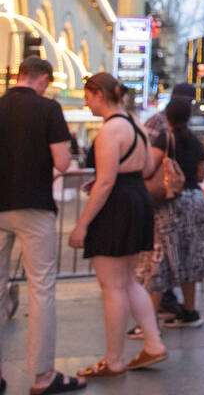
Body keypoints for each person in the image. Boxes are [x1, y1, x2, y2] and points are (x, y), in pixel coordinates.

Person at [68, 73, 166, 379]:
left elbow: (107, 180)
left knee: (112, 286)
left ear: (99, 94)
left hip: (116, 206)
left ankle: (114, 360)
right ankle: (153, 343)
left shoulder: (111, 130)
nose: (86, 102)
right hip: (137, 200)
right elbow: (149, 167)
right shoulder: (137, 125)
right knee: (127, 281)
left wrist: (81, 225)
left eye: (87, 96)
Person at [0, 57, 85, 394]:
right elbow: (63, 162)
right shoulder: (48, 110)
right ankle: (43, 376)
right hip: (34, 206)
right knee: (41, 289)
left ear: (19, 76)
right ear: (43, 79)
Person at [137, 97, 204, 329]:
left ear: (167, 116)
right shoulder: (197, 142)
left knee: (159, 257)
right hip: (195, 201)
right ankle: (189, 312)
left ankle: (148, 323)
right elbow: (200, 176)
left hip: (170, 203)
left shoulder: (164, 138)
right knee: (191, 254)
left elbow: (149, 168)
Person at [140, 83, 194, 320]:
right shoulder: (166, 128)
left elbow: (147, 164)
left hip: (164, 199)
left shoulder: (164, 130)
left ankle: (158, 307)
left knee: (163, 253)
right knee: (170, 252)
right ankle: (173, 304)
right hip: (172, 198)